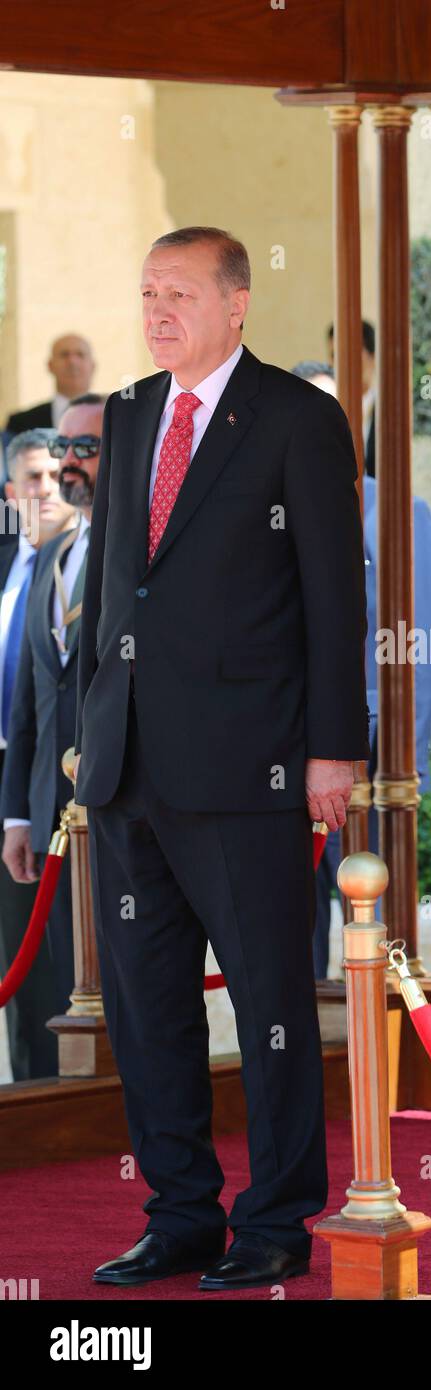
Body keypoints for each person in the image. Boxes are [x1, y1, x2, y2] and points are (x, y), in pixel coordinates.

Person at [72, 226, 369, 1292]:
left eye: (181, 293)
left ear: (237, 304)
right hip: (127, 768)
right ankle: (180, 1216)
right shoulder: (128, 412)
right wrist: (88, 724)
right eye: (148, 292)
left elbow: (335, 596)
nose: (158, 311)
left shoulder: (296, 417)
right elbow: (112, 585)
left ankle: (277, 1219)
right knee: (148, 1010)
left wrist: (333, 750)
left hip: (253, 770)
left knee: (270, 1005)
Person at [289, 361, 431, 978]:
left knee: (373, 927)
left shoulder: (395, 510)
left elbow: (418, 646)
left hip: (366, 761)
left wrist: (408, 762)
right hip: (270, 751)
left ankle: (383, 1036)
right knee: (286, 931)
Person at [1, 396, 106, 1038]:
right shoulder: (51, 552)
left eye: (84, 449)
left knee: (119, 994)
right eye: (62, 448)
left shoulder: (143, 550)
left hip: (119, 813)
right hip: (49, 818)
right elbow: (29, 701)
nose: (68, 462)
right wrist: (18, 814)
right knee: (53, 994)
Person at [0, 428, 78, 1079]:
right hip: (14, 790)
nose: (47, 488)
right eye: (33, 477)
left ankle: (72, 1095)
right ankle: (30, 1099)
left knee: (59, 954)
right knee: (16, 960)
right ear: (11, 491)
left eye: (56, 474)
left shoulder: (88, 561)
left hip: (56, 785)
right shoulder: (10, 567)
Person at [4, 335, 96, 435]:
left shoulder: (108, 417)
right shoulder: (20, 423)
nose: (72, 362)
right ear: (50, 365)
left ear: (93, 366)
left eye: (80, 355)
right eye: (64, 355)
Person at [325, 320, 376, 477]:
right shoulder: (324, 411)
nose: (343, 362)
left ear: (372, 356)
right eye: (335, 355)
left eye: (352, 353)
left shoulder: (391, 413)